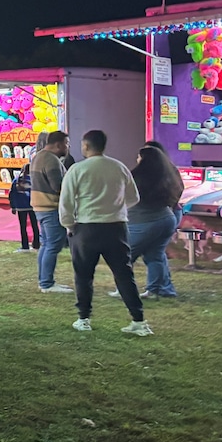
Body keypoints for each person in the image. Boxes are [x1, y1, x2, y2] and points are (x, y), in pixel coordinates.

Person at [58, 129, 152, 335]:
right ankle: (138, 320)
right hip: (116, 227)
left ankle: (83, 318)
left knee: (83, 275)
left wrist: (69, 224)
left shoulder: (77, 169)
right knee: (123, 274)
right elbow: (133, 197)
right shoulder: (118, 167)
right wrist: (117, 207)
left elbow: (65, 201)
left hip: (86, 227)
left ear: (85, 146)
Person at [114, 145, 184, 298]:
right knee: (155, 256)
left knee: (124, 257)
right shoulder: (168, 174)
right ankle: (155, 290)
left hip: (142, 222)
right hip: (166, 219)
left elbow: (124, 198)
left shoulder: (136, 176)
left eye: (139, 156)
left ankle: (124, 290)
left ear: (143, 159)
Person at [32, 131, 75, 293]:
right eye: (66, 143)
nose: (68, 147)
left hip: (40, 207)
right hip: (51, 207)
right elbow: (58, 186)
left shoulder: (38, 156)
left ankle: (44, 280)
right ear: (58, 144)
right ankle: (47, 283)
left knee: (46, 244)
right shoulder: (51, 160)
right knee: (53, 245)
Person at [9, 162, 39, 252]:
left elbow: (12, 194)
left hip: (20, 206)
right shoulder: (35, 180)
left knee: (23, 226)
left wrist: (13, 206)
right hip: (33, 206)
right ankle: (36, 244)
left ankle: (25, 245)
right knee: (35, 225)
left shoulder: (17, 180)